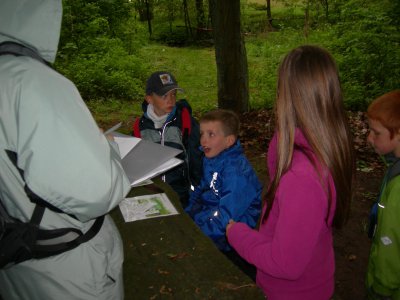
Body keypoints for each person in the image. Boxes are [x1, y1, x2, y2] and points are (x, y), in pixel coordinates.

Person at [0, 1, 131, 299]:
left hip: (18, 264)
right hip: (67, 272)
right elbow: (97, 191)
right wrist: (108, 150)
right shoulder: (30, 81)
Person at [226, 45, 356, 300]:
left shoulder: (302, 179)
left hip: (292, 293)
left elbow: (285, 263)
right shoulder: (326, 147)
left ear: (287, 97)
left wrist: (237, 234)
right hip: (313, 277)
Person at [185, 109, 262, 280]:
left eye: (211, 134)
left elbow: (228, 216)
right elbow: (202, 188)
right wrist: (188, 212)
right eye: (202, 134)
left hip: (231, 232)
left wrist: (200, 233)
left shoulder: (237, 173)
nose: (203, 140)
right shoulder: (211, 158)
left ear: (229, 141)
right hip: (212, 215)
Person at [132, 71, 203, 208]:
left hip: (182, 197)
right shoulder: (140, 127)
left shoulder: (185, 121)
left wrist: (198, 198)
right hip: (152, 196)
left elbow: (197, 161)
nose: (170, 100)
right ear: (149, 99)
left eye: (173, 94)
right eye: (164, 96)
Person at [365, 90, 400, 300]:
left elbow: (392, 243)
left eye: (376, 133)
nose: (369, 138)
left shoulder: (398, 189)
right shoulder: (394, 167)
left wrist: (381, 289)